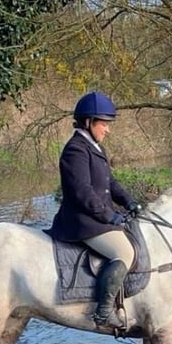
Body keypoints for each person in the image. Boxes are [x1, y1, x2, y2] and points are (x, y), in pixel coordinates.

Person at [47, 91, 141, 328]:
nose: (107, 129)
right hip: (82, 222)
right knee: (125, 253)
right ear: (88, 122)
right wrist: (108, 215)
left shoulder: (95, 148)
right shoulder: (75, 150)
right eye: (104, 124)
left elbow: (110, 182)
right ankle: (103, 311)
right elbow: (83, 193)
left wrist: (129, 202)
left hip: (95, 218)